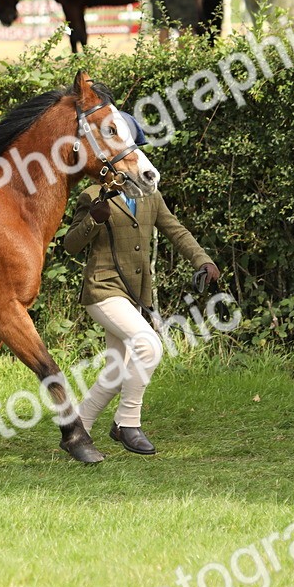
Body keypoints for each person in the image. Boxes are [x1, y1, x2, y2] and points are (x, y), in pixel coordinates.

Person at [63, 169, 220, 455]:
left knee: (117, 369)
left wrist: (203, 260)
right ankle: (126, 423)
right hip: (102, 290)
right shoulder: (91, 195)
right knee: (149, 346)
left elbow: (176, 230)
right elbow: (71, 244)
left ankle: (77, 430)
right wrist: (92, 220)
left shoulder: (150, 194)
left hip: (133, 294)